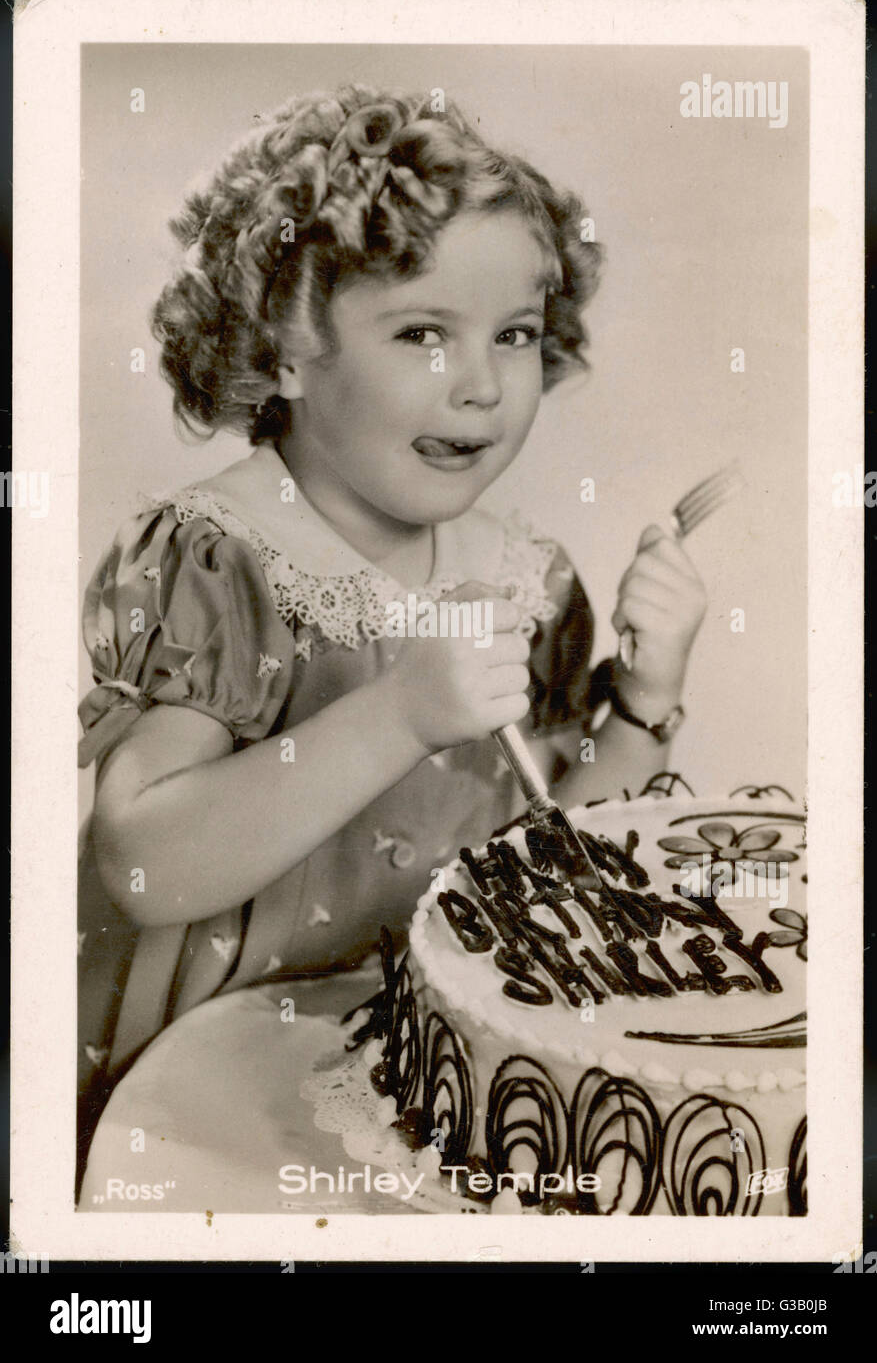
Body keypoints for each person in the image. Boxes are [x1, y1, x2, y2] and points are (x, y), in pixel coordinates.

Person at [76, 84, 706, 1182]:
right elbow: (142, 862)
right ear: (281, 349)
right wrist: (403, 708)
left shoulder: (529, 578)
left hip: (436, 1082)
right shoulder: (220, 558)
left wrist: (643, 704)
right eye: (422, 332)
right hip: (221, 1091)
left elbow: (550, 852)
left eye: (513, 334)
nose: (480, 387)